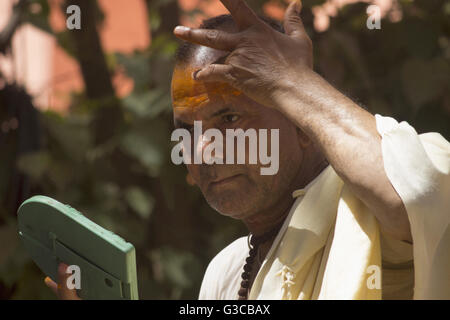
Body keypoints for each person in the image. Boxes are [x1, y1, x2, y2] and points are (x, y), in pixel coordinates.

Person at [46, 0, 449, 300]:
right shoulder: (225, 272)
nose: (203, 149)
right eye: (188, 129)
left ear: (301, 123)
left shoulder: (372, 207)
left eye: (230, 119)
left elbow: (417, 193)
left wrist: (294, 83)